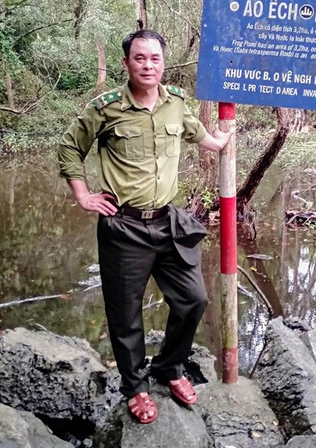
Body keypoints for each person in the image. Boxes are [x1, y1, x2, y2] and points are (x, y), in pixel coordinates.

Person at [58, 28, 233, 424]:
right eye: (140, 58)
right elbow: (70, 147)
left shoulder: (175, 104)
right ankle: (135, 387)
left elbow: (198, 134)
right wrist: (83, 195)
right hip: (123, 227)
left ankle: (169, 368)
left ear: (163, 63)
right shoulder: (105, 109)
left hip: (167, 222)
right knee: (126, 315)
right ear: (126, 63)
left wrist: (220, 141)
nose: (148, 65)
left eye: (155, 59)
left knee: (193, 300)